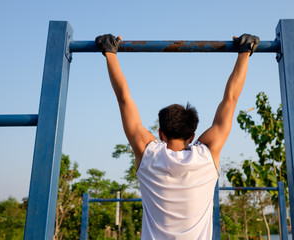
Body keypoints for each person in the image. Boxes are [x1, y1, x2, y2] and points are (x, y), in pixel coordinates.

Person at [95, 34, 259, 240]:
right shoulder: (206, 155)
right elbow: (231, 99)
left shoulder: (149, 155)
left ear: (160, 133)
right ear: (192, 136)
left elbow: (123, 99)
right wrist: (245, 52)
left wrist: (110, 52)